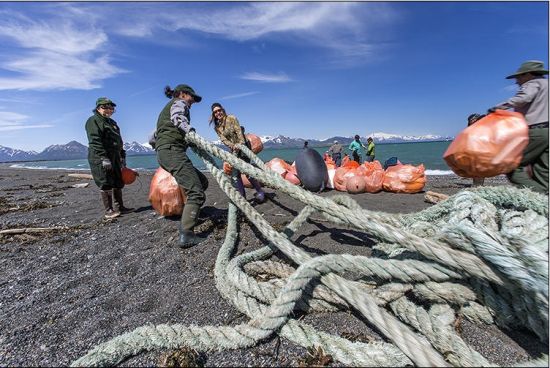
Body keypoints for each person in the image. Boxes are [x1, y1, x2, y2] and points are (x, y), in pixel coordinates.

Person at [154, 84, 209, 248]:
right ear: (184, 94)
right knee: (197, 193)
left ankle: (188, 213)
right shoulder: (179, 103)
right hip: (173, 152)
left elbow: (154, 136)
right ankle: (187, 234)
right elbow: (178, 118)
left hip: (165, 152)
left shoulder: (165, 110)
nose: (192, 102)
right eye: (192, 98)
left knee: (202, 182)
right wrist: (190, 132)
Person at [488, 60, 548, 194]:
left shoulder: (533, 83)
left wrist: (497, 107)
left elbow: (523, 98)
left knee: (511, 166)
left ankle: (538, 197)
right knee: (543, 169)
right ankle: (545, 200)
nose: (516, 81)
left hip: (536, 131)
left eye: (519, 77)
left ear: (529, 74)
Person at [85, 97, 133, 219]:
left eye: (111, 108)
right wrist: (103, 157)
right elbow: (95, 141)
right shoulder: (93, 121)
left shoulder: (112, 123)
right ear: (98, 108)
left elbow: (119, 141)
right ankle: (109, 211)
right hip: (100, 156)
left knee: (118, 181)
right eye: (105, 107)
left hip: (115, 156)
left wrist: (122, 156)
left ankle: (120, 207)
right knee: (105, 182)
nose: (109, 110)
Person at [210, 102, 266, 203]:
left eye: (219, 110)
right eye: (215, 112)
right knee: (236, 173)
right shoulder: (217, 127)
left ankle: (260, 192)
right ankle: (243, 197)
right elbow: (223, 139)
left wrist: (240, 145)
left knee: (247, 170)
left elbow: (239, 132)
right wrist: (232, 146)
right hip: (233, 149)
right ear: (213, 115)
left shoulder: (231, 118)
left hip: (243, 145)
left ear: (223, 110)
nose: (218, 113)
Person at [467, 113, 486, 187]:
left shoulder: (481, 126)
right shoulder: (470, 129)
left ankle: (479, 185)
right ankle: (477, 184)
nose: (473, 120)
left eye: (474, 119)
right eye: (471, 120)